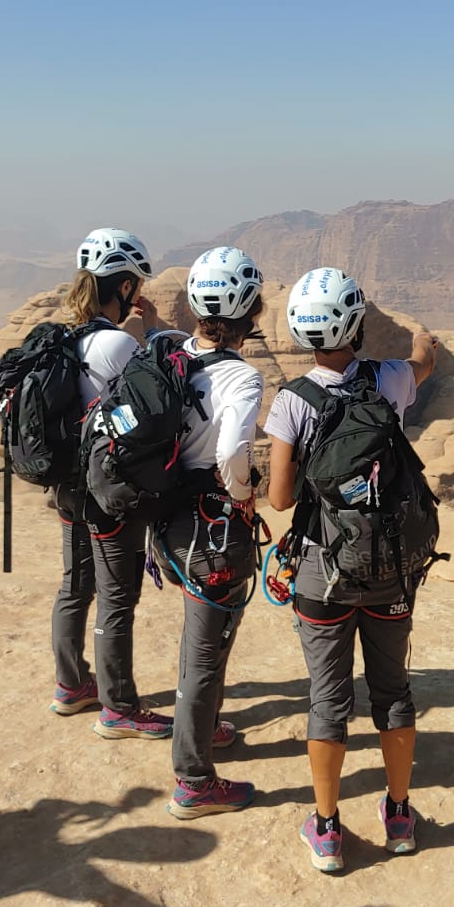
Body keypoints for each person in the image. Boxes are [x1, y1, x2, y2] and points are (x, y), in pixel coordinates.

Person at [264, 267, 439, 873]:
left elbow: (280, 500)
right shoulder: (388, 380)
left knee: (327, 698)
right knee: (392, 692)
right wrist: (422, 347)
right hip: (390, 567)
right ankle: (398, 816)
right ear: (356, 325)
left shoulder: (292, 402)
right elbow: (421, 368)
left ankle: (329, 829)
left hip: (321, 571)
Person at [48, 227, 175, 740]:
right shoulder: (119, 343)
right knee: (117, 599)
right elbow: (156, 396)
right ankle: (119, 709)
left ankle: (71, 684)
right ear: (124, 289)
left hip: (67, 487)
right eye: (135, 286)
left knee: (76, 585)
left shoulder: (63, 336)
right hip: (107, 492)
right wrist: (151, 336)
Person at [163, 247, 268, 819]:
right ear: (246, 309)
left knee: (200, 641)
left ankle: (201, 731)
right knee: (207, 649)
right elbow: (231, 452)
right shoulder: (241, 376)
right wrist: (244, 494)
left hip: (170, 517)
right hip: (211, 528)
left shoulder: (172, 353)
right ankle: (193, 781)